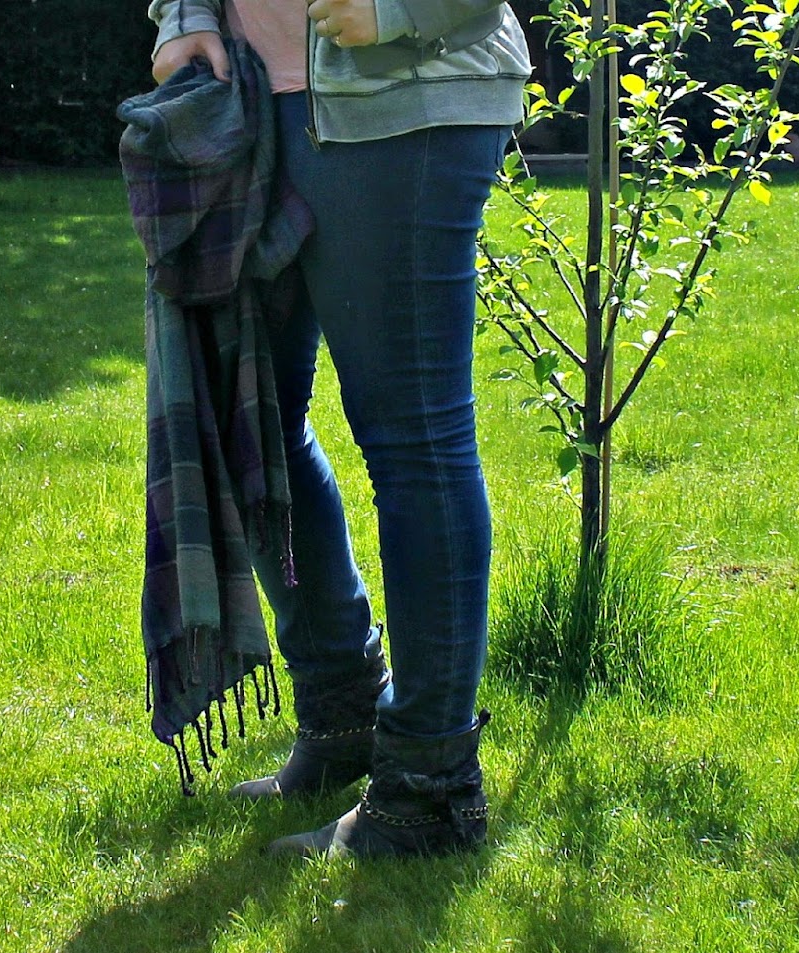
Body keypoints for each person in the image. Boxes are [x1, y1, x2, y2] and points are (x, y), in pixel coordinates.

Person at [145, 0, 531, 857]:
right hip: (250, 103)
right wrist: (185, 15)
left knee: (413, 440)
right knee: (251, 424)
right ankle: (342, 712)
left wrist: (399, 8)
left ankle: (429, 790)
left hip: (404, 105)